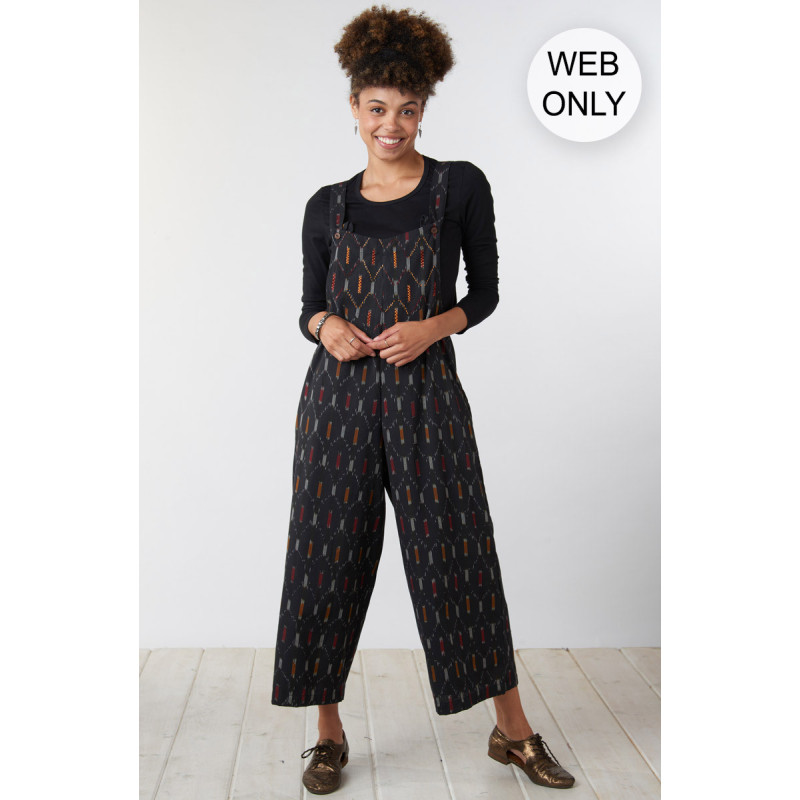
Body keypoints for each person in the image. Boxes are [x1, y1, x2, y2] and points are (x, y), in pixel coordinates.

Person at [271, 5, 575, 795]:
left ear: (423, 110)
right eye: (378, 108)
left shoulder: (459, 186)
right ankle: (327, 733)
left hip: (428, 396)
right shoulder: (326, 205)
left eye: (407, 109)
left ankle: (512, 730)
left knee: (459, 553)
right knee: (325, 559)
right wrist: (328, 327)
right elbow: (307, 307)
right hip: (335, 403)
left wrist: (431, 328)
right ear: (354, 107)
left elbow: (487, 293)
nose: (392, 125)